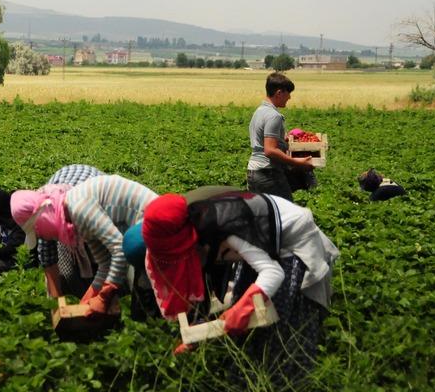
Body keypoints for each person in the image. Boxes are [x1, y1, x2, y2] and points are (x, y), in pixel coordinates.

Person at [142, 191, 339, 385]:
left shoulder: (223, 229)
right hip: (261, 246)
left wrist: (242, 309)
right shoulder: (195, 230)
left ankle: (282, 380)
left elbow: (273, 272)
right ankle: (247, 372)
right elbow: (207, 280)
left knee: (280, 324)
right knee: (244, 311)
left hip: (290, 244)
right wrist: (197, 331)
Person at [11, 174, 158, 316]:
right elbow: (104, 263)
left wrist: (103, 296)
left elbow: (119, 250)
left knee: (147, 304)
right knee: (142, 306)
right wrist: (89, 297)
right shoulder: (75, 220)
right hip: (137, 235)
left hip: (153, 224)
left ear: (41, 219)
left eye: (37, 232)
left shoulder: (78, 208)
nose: (41, 236)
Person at [37, 164, 104, 298]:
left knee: (98, 261)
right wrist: (56, 303)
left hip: (96, 199)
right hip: (66, 202)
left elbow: (111, 259)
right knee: (68, 270)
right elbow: (47, 259)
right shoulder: (44, 217)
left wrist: (100, 296)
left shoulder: (92, 211)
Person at [247, 72, 313, 202]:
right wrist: (297, 163)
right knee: (284, 213)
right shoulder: (273, 116)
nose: (289, 97)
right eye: (288, 93)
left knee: (263, 215)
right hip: (268, 173)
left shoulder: (259, 111)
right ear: (279, 93)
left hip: (254, 172)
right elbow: (270, 150)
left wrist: (282, 140)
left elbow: (263, 141)